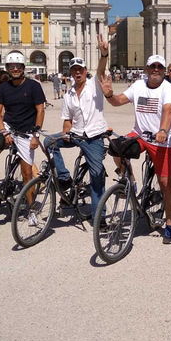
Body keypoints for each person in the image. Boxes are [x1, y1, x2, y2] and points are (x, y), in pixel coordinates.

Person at [99, 54, 171, 244]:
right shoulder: (139, 85)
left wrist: (163, 130)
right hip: (141, 134)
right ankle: (130, 180)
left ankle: (169, 224)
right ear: (146, 69)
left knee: (165, 183)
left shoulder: (168, 88)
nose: (156, 69)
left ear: (164, 71)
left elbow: (168, 111)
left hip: (161, 139)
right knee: (116, 148)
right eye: (152, 66)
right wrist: (109, 93)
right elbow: (117, 101)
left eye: (160, 66)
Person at [44, 37, 110, 218]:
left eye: (80, 69)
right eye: (74, 70)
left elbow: (102, 67)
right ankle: (65, 178)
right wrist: (65, 133)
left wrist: (104, 53)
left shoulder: (95, 84)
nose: (77, 72)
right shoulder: (68, 95)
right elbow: (67, 120)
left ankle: (100, 216)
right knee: (49, 141)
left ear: (86, 71)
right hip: (76, 134)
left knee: (97, 175)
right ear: (71, 73)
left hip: (94, 137)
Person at [0, 52, 46, 196]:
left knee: (27, 173)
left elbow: (40, 111)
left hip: (27, 130)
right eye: (11, 66)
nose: (15, 69)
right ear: (7, 68)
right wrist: (4, 131)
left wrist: (36, 135)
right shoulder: (3, 87)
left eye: (18, 66)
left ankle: (31, 208)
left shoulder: (33, 86)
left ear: (23, 68)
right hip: (9, 126)